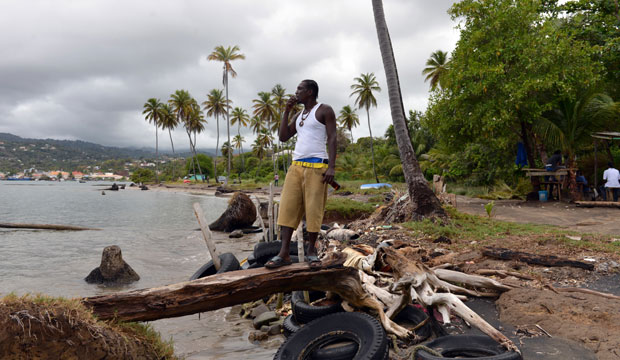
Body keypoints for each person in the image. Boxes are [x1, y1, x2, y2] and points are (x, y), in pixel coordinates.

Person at [265, 79, 337, 269]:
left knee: (313, 210)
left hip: (317, 167)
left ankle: (312, 252)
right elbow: (283, 136)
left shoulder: (324, 110)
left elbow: (332, 138)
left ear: (310, 92)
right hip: (296, 166)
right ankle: (284, 253)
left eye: (300, 89)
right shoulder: (299, 115)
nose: (296, 92)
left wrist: (331, 166)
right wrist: (287, 111)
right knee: (287, 208)